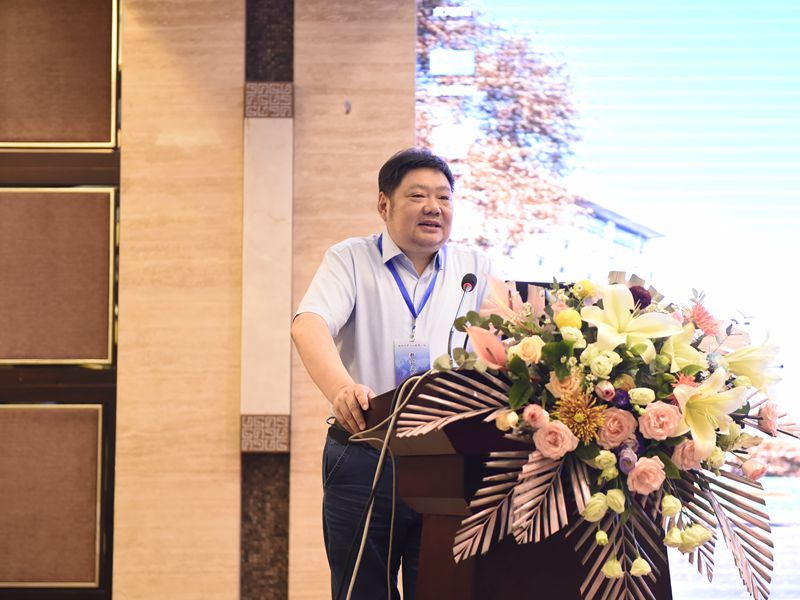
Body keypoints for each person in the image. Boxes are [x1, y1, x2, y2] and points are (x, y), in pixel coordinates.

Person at [291, 148, 491, 599]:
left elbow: (508, 341)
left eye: (444, 197)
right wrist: (342, 389)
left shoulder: (474, 269)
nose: (433, 207)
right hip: (366, 450)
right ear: (384, 204)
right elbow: (309, 324)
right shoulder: (350, 259)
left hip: (447, 458)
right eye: (418, 196)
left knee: (441, 590)